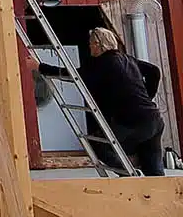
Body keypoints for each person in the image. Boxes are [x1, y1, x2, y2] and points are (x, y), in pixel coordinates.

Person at [42, 27, 165, 176]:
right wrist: (148, 96)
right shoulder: (127, 59)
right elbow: (154, 71)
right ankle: (157, 187)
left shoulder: (102, 63)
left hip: (132, 121)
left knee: (98, 144)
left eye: (91, 43)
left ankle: (129, 175)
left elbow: (74, 75)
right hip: (154, 118)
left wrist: (41, 67)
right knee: (154, 170)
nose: (89, 47)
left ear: (98, 44)